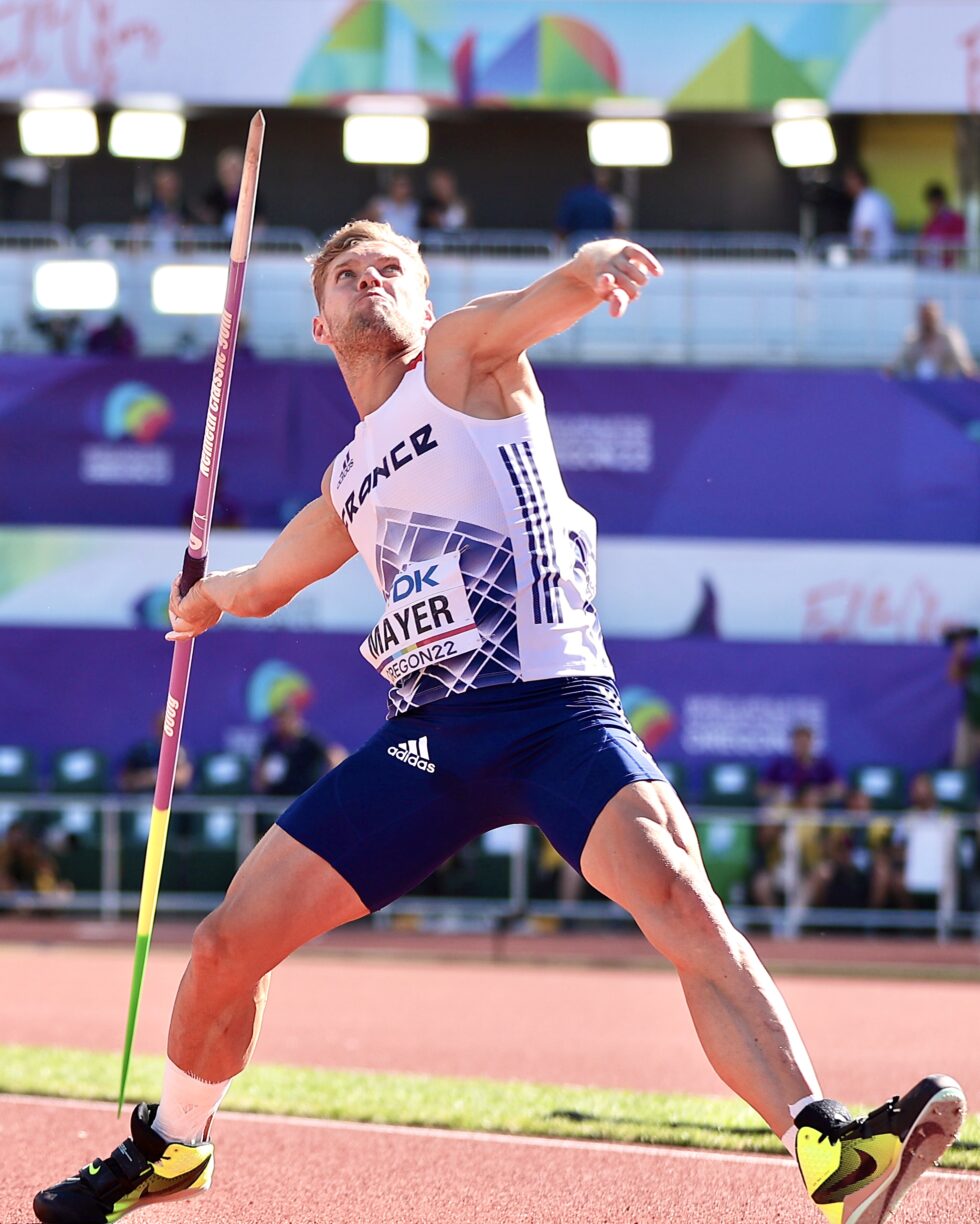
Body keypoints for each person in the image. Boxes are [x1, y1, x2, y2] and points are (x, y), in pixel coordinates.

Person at [34, 222, 965, 1224]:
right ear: (320, 321)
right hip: (431, 739)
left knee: (675, 895)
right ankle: (172, 1147)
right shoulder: (349, 479)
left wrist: (591, 266)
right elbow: (261, 584)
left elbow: (543, 300)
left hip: (554, 710)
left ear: (425, 303)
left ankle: (821, 1144)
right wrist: (200, 598)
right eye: (347, 275)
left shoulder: (459, 361)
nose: (369, 282)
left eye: (390, 269)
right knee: (225, 946)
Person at [757, 724, 845, 809]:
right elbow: (761, 790)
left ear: (812, 742)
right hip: (785, 807)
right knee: (771, 812)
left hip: (814, 809)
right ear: (792, 742)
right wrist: (778, 792)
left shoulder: (823, 763)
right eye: (799, 742)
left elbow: (839, 790)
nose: (802, 746)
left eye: (805, 742)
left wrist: (820, 794)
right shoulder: (779, 763)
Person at [253, 700, 330, 796]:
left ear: (294, 719)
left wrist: (325, 786)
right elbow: (260, 775)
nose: (282, 724)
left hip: (302, 797)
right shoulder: (271, 743)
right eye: (279, 720)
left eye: (285, 719)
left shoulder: (309, 741)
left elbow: (334, 756)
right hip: (276, 798)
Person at [889, 300, 977, 380]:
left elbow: (963, 361)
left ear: (937, 317)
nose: (927, 321)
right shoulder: (911, 336)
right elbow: (897, 361)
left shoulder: (950, 336)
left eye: (930, 317)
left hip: (945, 387)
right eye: (924, 317)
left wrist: (970, 374)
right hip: (916, 387)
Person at [843, 165, 895, 261]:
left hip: (875, 260)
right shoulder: (876, 197)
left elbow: (867, 232)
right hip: (881, 258)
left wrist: (860, 259)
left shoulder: (868, 201)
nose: (846, 185)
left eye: (849, 180)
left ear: (857, 179)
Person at [556, 168, 616, 246]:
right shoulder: (604, 198)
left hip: (578, 243)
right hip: (600, 243)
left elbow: (563, 225)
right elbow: (612, 224)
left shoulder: (574, 197)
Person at [947, 628, 980, 766]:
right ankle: (962, 785)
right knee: (961, 762)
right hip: (971, 719)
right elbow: (953, 677)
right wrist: (959, 652)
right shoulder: (974, 664)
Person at [919, 183, 966, 269]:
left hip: (948, 269)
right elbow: (922, 244)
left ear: (938, 200)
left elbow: (959, 246)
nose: (931, 207)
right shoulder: (931, 220)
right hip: (930, 267)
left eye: (932, 203)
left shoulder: (955, 219)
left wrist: (934, 249)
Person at [363, 172, 420, 241]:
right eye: (400, 185)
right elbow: (361, 222)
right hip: (385, 245)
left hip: (409, 246)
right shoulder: (379, 203)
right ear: (392, 187)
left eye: (406, 185)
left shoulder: (415, 206)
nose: (403, 189)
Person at [420, 167, 470, 232]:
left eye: (445, 184)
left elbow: (467, 227)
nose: (442, 188)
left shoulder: (462, 204)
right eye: (439, 185)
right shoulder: (427, 205)